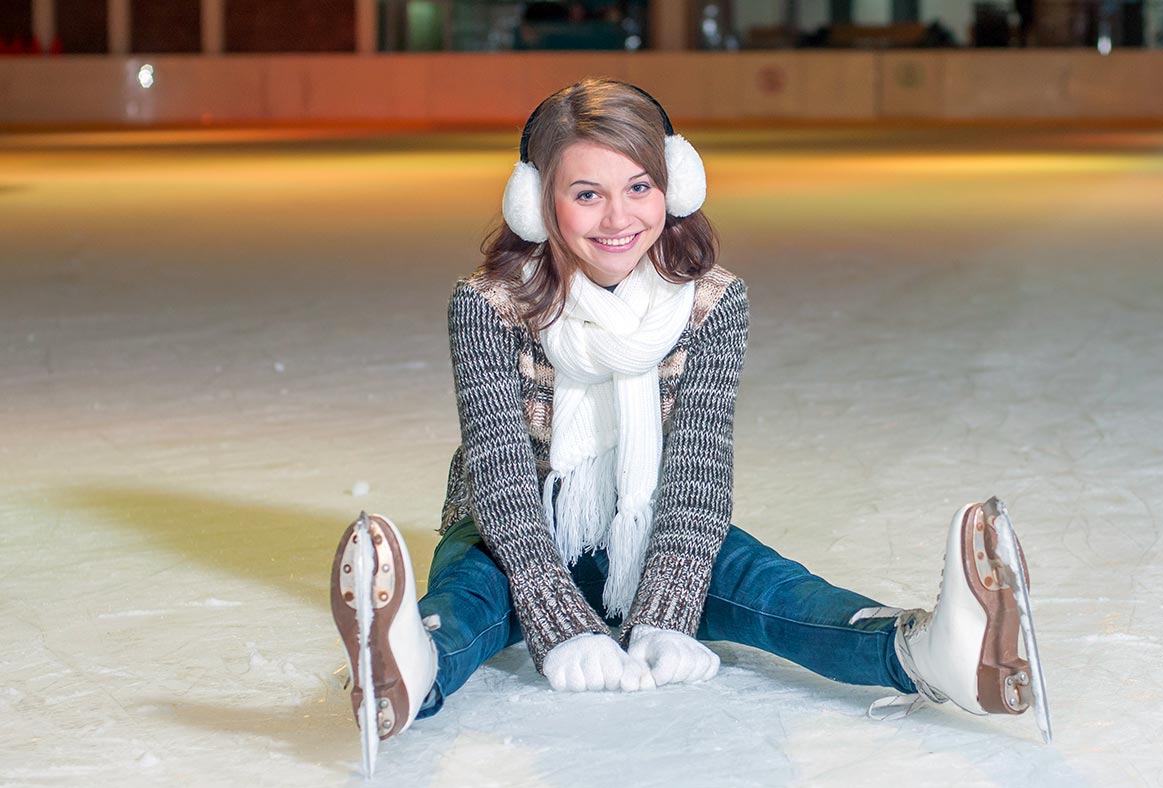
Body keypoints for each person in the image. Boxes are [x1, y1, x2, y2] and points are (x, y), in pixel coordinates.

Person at [330, 78, 1049, 776]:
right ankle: (409, 667)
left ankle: (927, 652)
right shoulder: (488, 306)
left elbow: (698, 471)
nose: (618, 219)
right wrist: (561, 624)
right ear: (536, 202)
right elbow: (502, 479)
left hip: (661, 533)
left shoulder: (710, 302)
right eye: (586, 194)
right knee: (470, 597)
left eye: (639, 187)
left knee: (770, 588)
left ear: (675, 186)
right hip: (513, 535)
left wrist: (670, 612)